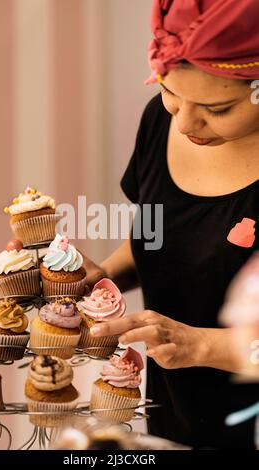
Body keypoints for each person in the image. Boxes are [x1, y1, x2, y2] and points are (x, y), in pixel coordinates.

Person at [82, 0, 259, 449]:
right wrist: (103, 277)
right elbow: (164, 238)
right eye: (169, 91)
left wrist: (199, 345)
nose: (184, 123)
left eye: (216, 109)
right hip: (174, 419)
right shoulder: (158, 123)